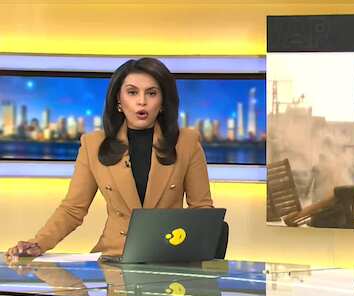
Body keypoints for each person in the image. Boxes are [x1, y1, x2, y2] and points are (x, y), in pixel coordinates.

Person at [5, 58, 213, 260]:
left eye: (151, 93)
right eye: (132, 92)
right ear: (119, 101)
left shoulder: (187, 142)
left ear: (163, 102)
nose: (142, 101)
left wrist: (195, 259)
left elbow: (202, 210)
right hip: (114, 258)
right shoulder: (93, 144)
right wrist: (38, 243)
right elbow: (73, 209)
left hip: (169, 258)